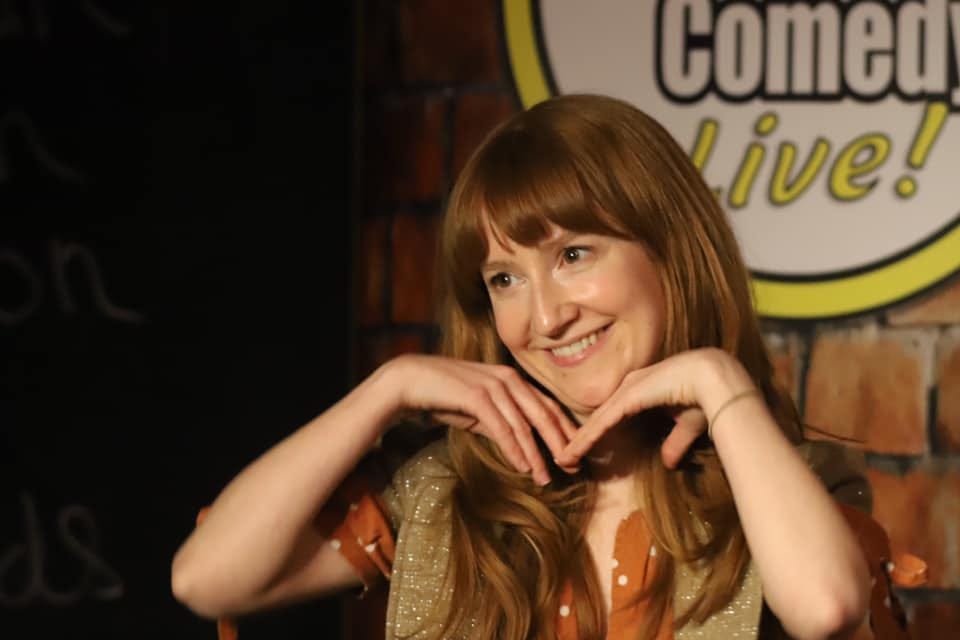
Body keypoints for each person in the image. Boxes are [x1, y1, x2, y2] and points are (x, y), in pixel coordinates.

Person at [171, 94, 921, 639]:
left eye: (572, 255)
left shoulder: (777, 482)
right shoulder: (450, 493)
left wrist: (723, 384)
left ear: (671, 252)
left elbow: (826, 607)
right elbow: (206, 578)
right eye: (505, 279)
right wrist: (384, 391)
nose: (545, 316)